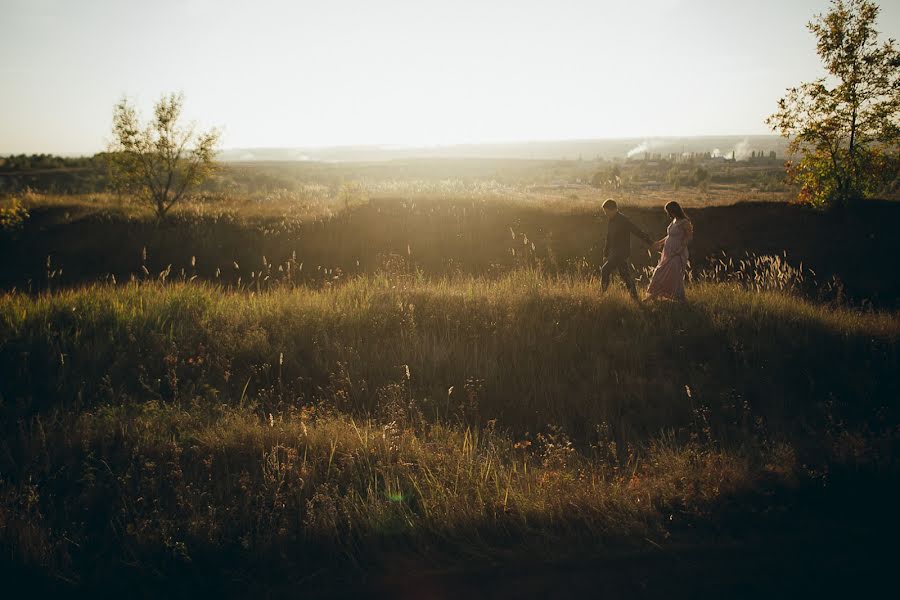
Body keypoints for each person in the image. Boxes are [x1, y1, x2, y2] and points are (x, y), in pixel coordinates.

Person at [599, 199, 654, 300]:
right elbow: (609, 238)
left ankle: (601, 294)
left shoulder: (623, 220)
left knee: (605, 270)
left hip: (621, 253)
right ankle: (635, 297)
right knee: (625, 275)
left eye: (606, 212)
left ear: (613, 209)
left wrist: (650, 242)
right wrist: (605, 253)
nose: (606, 214)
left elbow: (636, 231)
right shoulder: (611, 220)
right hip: (615, 253)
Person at [647, 201, 694, 302]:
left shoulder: (684, 222)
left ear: (674, 210)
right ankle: (654, 295)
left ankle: (680, 298)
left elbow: (688, 237)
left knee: (673, 275)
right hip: (668, 252)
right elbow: (670, 236)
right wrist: (659, 242)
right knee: (660, 271)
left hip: (677, 253)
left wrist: (679, 250)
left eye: (669, 211)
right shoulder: (674, 221)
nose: (668, 214)